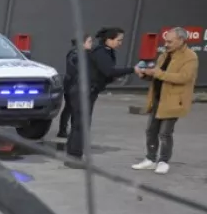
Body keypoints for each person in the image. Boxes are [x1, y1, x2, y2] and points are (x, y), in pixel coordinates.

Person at [131, 27, 200, 175]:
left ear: (181, 40)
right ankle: (150, 159)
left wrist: (158, 73)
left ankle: (163, 161)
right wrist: (144, 74)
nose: (166, 44)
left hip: (174, 101)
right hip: (157, 98)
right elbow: (157, 74)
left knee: (165, 133)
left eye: (170, 41)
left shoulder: (190, 57)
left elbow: (184, 77)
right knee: (151, 131)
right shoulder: (164, 55)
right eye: (165, 41)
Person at [65, 27, 135, 161]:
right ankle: (74, 157)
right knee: (81, 125)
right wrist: (132, 70)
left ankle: (73, 154)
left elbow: (103, 73)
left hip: (87, 91)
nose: (120, 43)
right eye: (118, 40)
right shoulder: (101, 52)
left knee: (79, 124)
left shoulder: (106, 52)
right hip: (83, 91)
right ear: (109, 39)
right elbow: (108, 71)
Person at [56, 34, 94, 139]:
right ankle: (65, 130)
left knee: (70, 108)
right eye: (89, 41)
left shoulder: (77, 53)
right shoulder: (76, 54)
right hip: (73, 85)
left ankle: (66, 130)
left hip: (71, 83)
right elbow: (76, 70)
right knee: (71, 108)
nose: (91, 44)